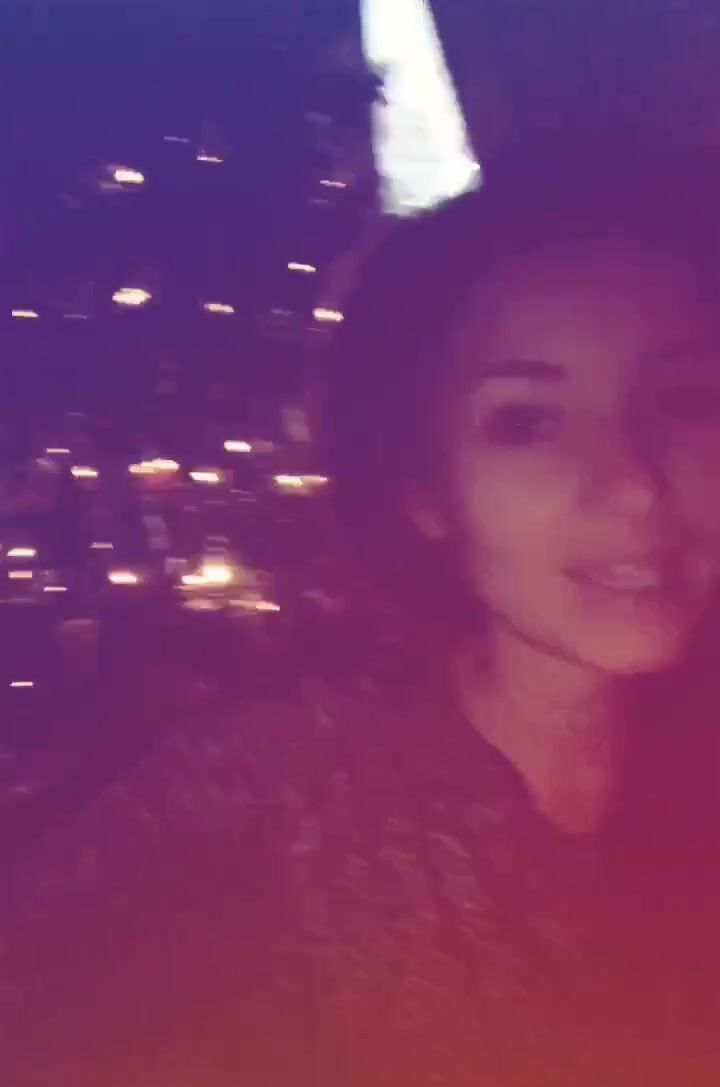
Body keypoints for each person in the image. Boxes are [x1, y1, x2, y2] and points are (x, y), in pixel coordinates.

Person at [7, 143, 720, 1086]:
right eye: (528, 422)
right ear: (424, 491)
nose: (633, 486)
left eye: (683, 399)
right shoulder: (256, 811)